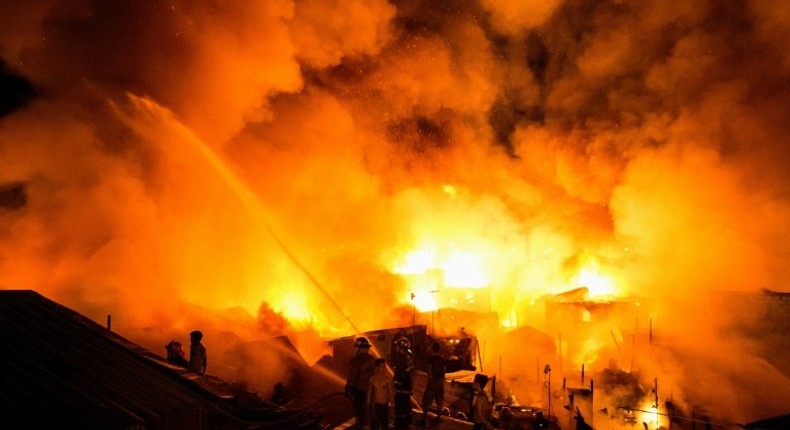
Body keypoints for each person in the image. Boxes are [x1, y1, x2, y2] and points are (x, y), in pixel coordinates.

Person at [346, 336, 376, 429]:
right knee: (371, 413)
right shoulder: (373, 359)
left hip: (360, 392)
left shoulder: (357, 361)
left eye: (355, 347)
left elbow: (353, 376)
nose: (354, 349)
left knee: (361, 414)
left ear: (359, 348)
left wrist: (348, 387)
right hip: (373, 391)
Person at [421, 342, 446, 426]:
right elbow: (444, 371)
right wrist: (442, 381)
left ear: (432, 349)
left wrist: (431, 380)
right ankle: (438, 418)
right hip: (440, 382)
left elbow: (429, 370)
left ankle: (424, 419)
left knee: (426, 400)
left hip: (433, 381)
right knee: (439, 401)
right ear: (439, 349)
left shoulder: (431, 359)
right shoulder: (443, 359)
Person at [392, 337, 414, 428]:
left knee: (400, 407)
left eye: (397, 346)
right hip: (407, 387)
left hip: (401, 389)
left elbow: (399, 374)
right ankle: (407, 423)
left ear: (401, 347)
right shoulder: (408, 357)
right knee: (407, 405)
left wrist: (395, 386)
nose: (396, 348)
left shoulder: (401, 358)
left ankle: (400, 425)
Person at [368, 358, 393, 430]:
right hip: (375, 406)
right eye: (382, 366)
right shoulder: (372, 379)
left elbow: (391, 393)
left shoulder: (388, 379)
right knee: (374, 425)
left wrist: (392, 407)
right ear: (377, 368)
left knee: (384, 426)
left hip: (384, 407)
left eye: (384, 366)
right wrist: (368, 405)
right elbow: (370, 393)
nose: (384, 368)